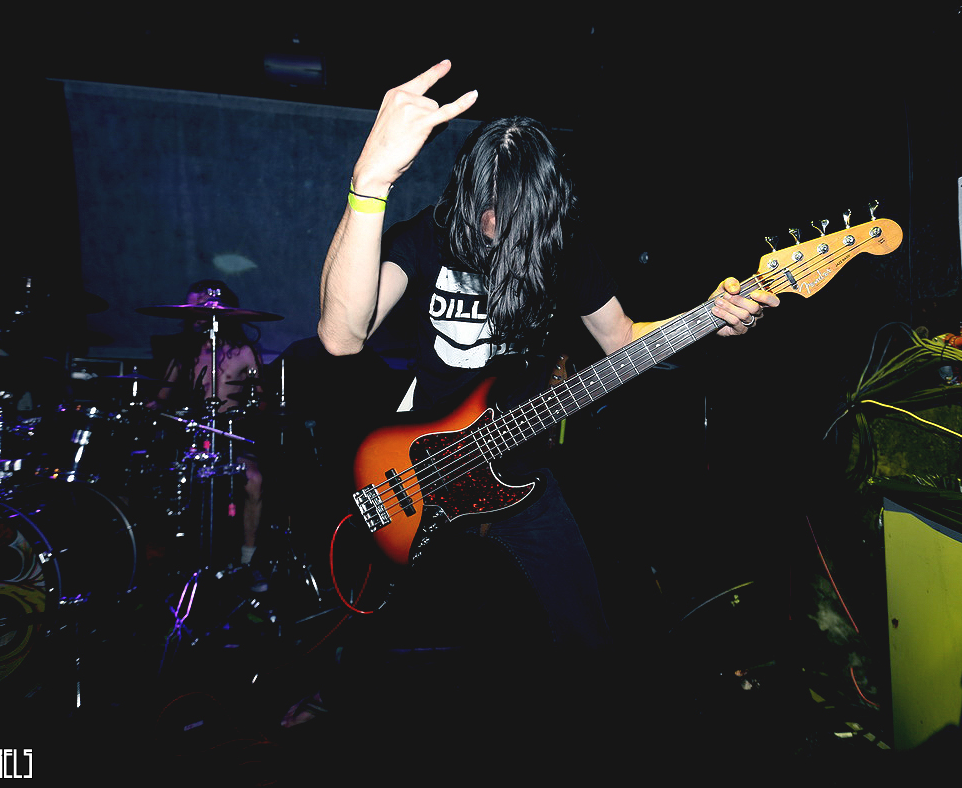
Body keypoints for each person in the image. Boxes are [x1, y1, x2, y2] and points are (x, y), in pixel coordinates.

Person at [313, 61, 780, 734]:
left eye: (509, 214)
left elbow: (620, 340)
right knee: (412, 661)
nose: (492, 222)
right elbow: (340, 336)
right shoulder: (428, 236)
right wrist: (370, 182)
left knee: (586, 643)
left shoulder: (565, 251)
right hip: (420, 468)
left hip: (521, 473)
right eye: (485, 207)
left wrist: (707, 318)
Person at [149, 279, 266, 578]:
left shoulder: (244, 352)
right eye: (191, 307)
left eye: (200, 306)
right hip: (192, 435)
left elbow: (262, 400)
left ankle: (247, 560)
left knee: (253, 481)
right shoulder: (185, 352)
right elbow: (161, 397)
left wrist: (249, 412)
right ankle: (176, 559)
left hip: (231, 435)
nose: (194, 313)